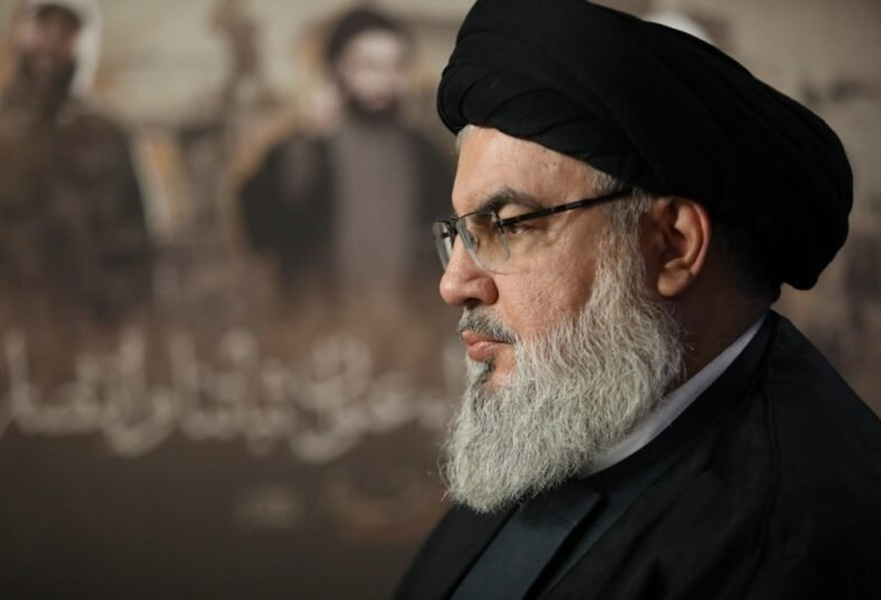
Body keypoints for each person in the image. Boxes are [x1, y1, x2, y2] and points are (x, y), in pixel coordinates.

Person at [395, 1, 881, 598]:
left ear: (672, 246)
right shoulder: (556, 412)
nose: (454, 285)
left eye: (509, 224)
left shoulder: (793, 551)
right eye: (462, 233)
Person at [238, 6, 451, 309]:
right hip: (322, 317)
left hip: (406, 315)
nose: (383, 78)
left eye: (394, 65)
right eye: (369, 64)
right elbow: (260, 230)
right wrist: (306, 141)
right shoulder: (308, 144)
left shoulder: (424, 153)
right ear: (338, 68)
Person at [0, 0, 150, 326]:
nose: (52, 38)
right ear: (19, 31)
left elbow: (139, 248)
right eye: (43, 24)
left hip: (90, 328)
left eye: (67, 28)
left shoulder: (109, 137)